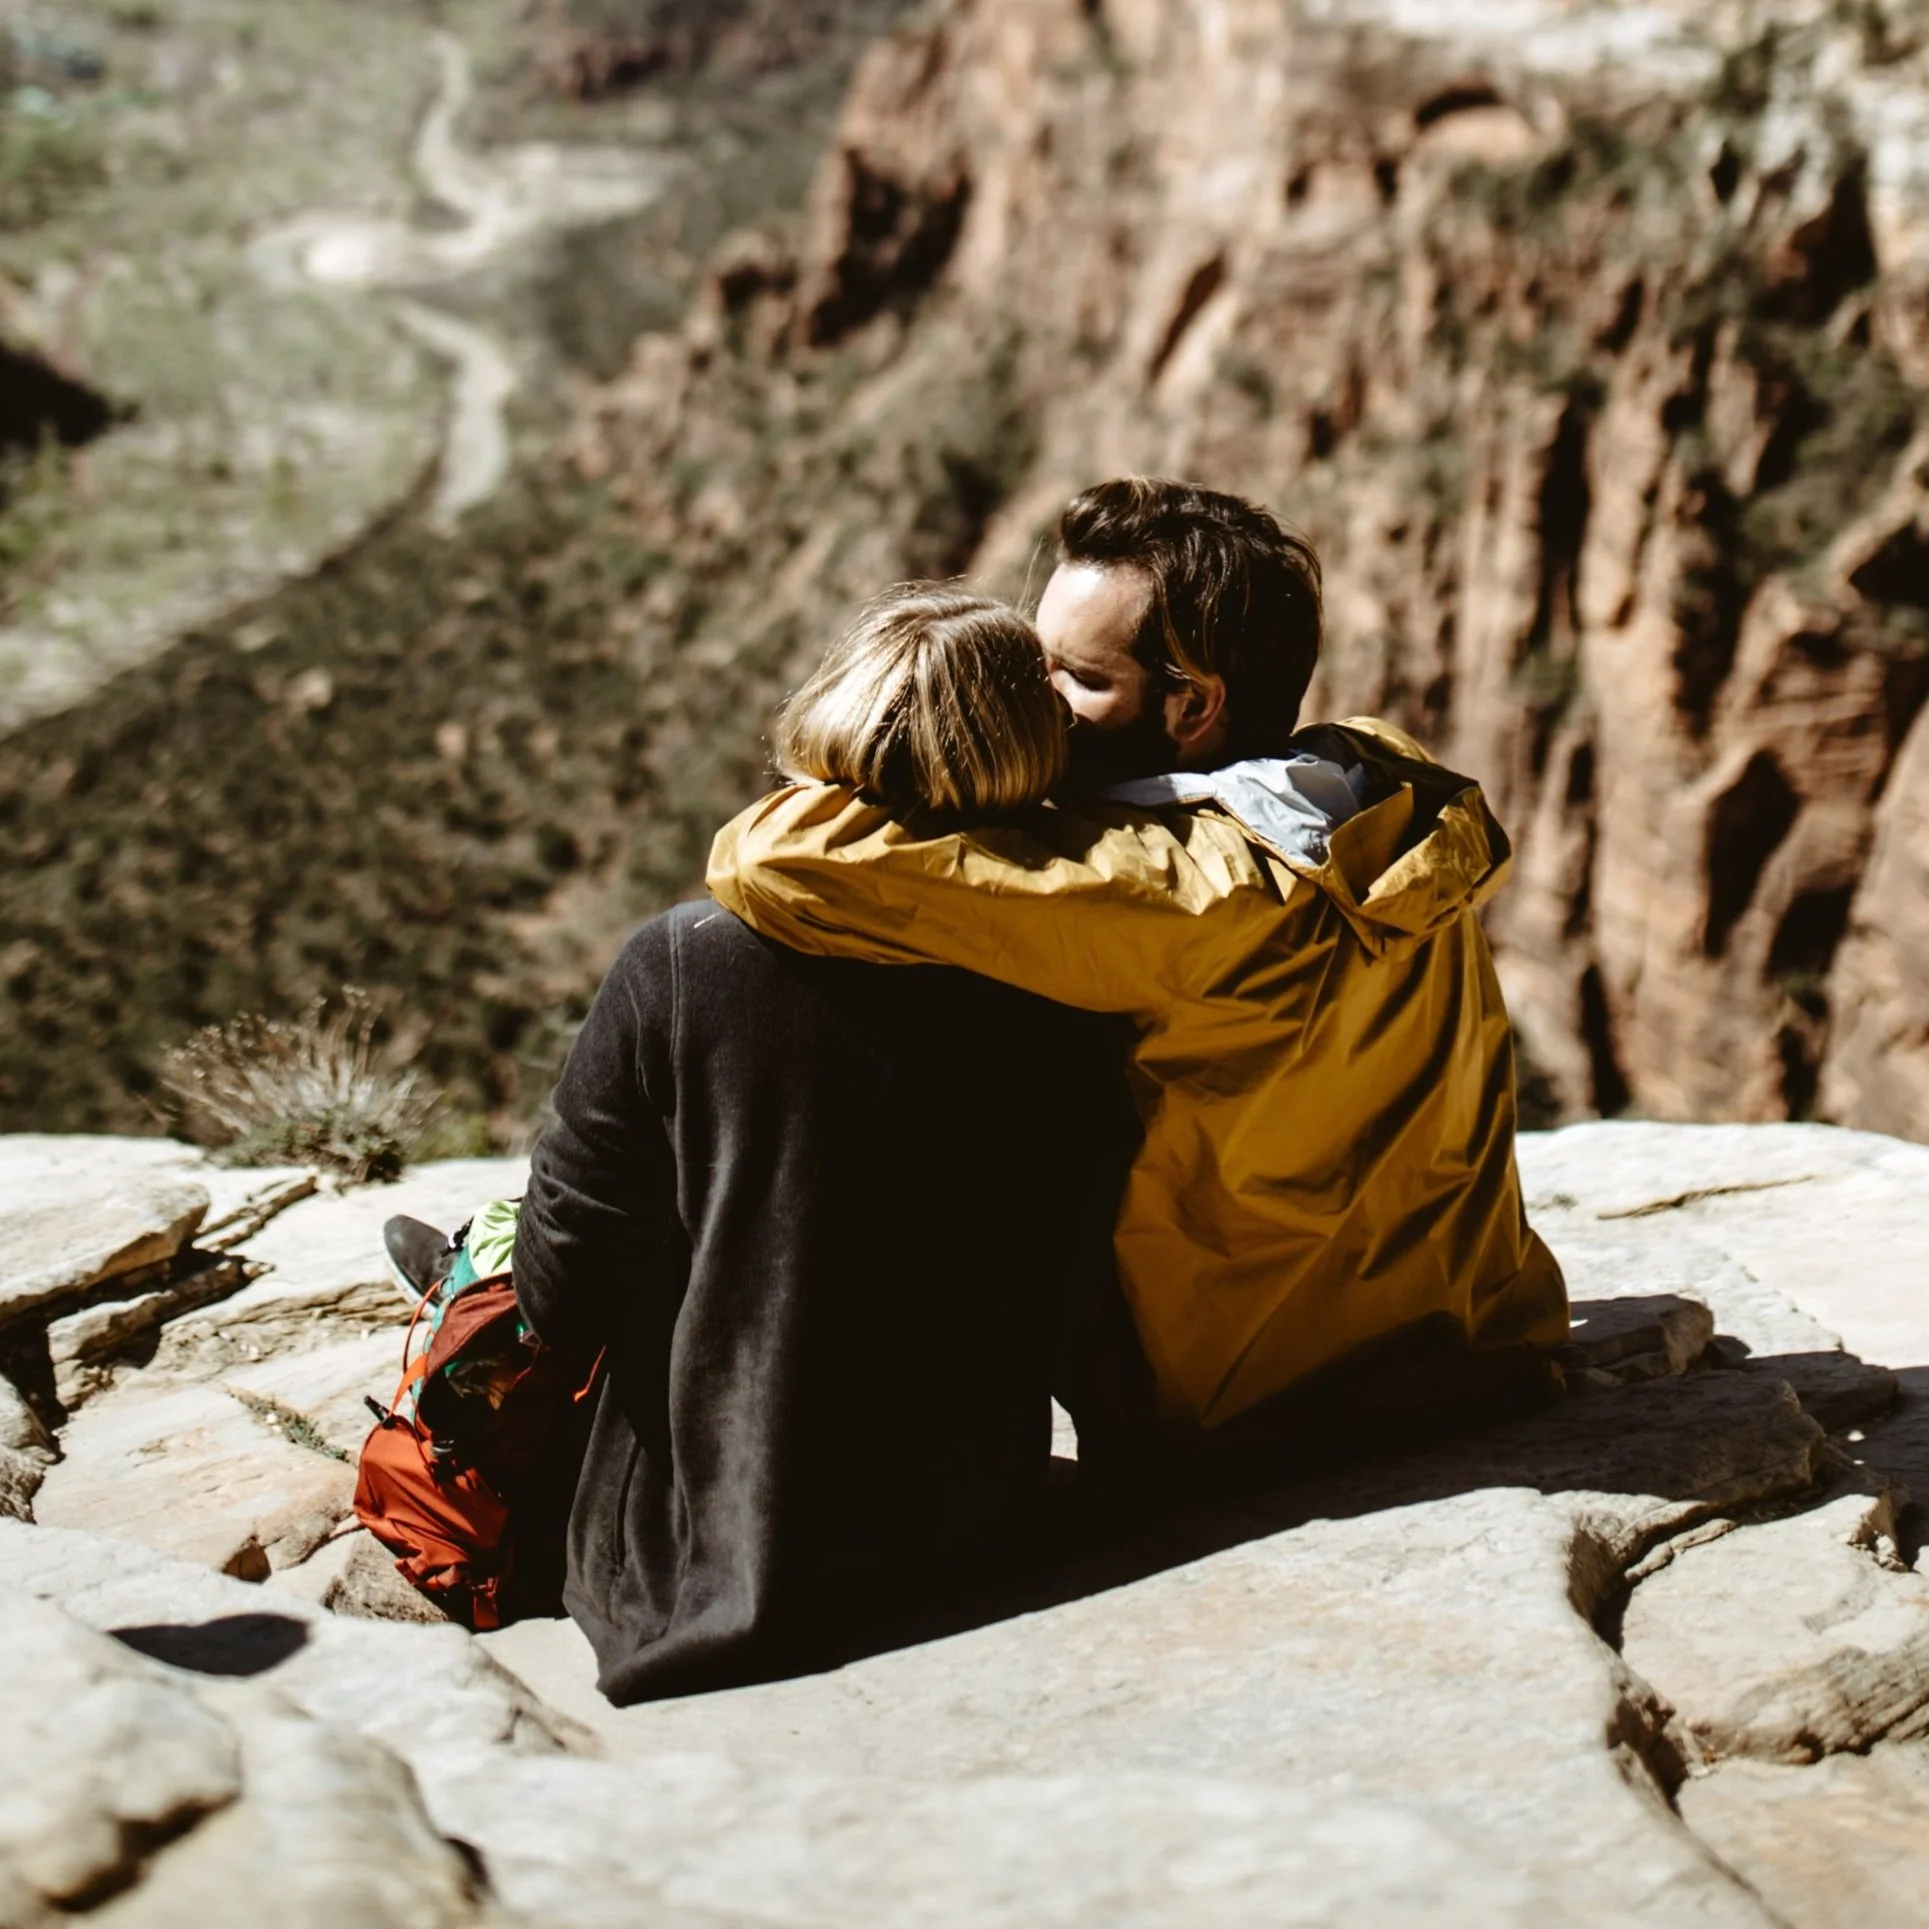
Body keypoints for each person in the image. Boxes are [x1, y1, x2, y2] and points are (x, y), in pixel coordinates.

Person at [708, 478, 1569, 1451]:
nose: (1036, 698)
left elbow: (771, 857)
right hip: (1469, 1338)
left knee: (730, 971)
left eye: (1076, 678)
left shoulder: (1168, 886)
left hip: (1247, 1407)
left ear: (1193, 705)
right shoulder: (1375, 778)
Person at [507, 587, 1138, 1702]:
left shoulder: (685, 961)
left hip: (705, 1565)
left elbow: (563, 1292)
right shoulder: (1077, 972)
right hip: (969, 1528)